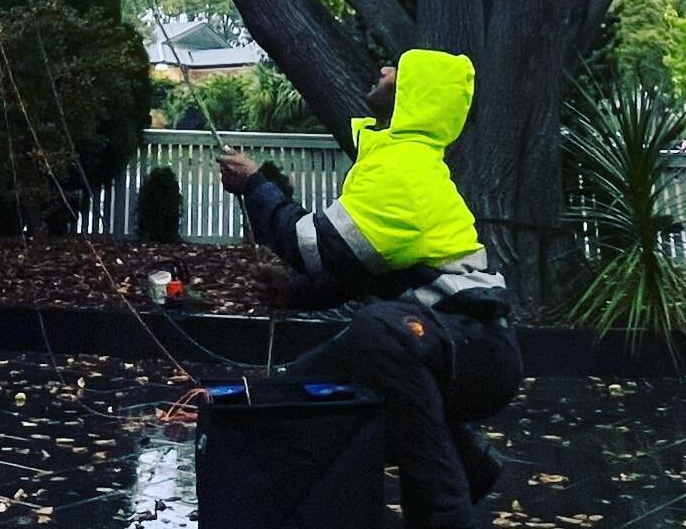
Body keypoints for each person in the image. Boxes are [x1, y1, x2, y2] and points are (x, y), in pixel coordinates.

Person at [217, 49, 521, 529]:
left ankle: (445, 508)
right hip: (442, 342)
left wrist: (255, 185)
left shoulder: (405, 172)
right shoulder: (394, 162)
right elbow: (361, 269)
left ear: (412, 94)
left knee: (376, 332)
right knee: (284, 397)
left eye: (395, 69)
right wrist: (295, 293)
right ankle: (466, 459)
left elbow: (310, 243)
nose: (381, 70)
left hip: (474, 347)